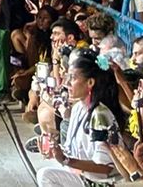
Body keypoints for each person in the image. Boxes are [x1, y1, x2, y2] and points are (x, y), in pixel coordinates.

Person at [37, 51, 127, 185]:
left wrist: (66, 160)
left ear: (90, 82)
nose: (66, 83)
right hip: (83, 175)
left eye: (72, 78)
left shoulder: (100, 115)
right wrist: (55, 151)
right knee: (46, 172)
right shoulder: (78, 108)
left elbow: (105, 168)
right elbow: (72, 151)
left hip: (101, 182)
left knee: (46, 175)